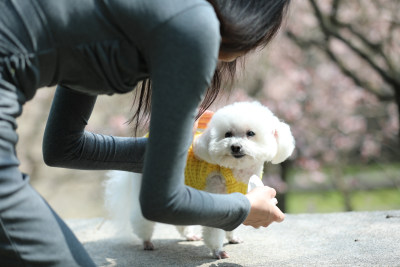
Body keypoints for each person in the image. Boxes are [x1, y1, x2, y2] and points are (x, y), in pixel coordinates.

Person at [0, 0, 290, 265]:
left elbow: (63, 148)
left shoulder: (141, 16)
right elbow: (162, 203)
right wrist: (243, 207)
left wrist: (172, 152)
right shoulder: (195, 25)